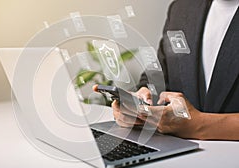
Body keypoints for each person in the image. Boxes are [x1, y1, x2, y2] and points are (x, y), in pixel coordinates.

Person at [94, 0, 239, 140]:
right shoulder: (180, 9)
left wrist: (199, 125)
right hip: (179, 155)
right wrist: (140, 103)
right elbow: (160, 75)